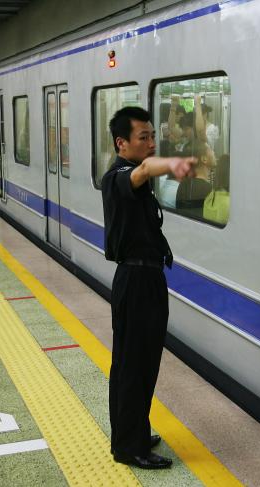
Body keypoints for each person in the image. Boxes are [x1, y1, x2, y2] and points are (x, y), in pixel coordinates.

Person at [101, 106, 195, 469]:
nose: (152, 143)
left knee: (137, 364)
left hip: (145, 279)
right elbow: (142, 171)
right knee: (134, 366)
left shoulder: (130, 176)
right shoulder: (119, 176)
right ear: (122, 143)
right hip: (136, 282)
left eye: (153, 136)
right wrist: (172, 163)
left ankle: (133, 430)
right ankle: (128, 447)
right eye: (145, 137)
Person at [175, 142, 214, 216]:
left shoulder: (183, 185)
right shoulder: (208, 189)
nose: (213, 152)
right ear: (204, 159)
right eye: (210, 149)